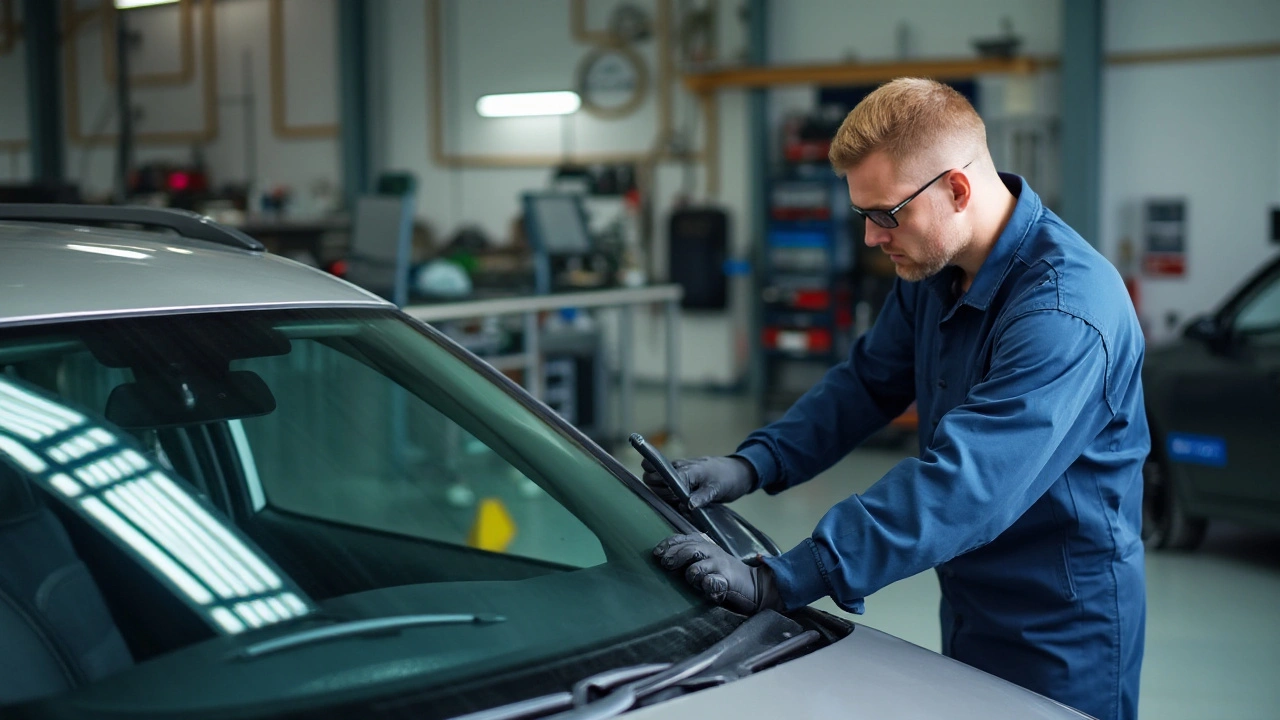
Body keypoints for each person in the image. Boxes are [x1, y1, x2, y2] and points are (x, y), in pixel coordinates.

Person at [648, 78, 1147, 720]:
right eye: (863, 215)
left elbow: (967, 486)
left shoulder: (1065, 312)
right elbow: (867, 382)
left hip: (1062, 627)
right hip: (969, 594)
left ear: (957, 189)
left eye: (887, 214)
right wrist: (753, 464)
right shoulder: (935, 267)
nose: (871, 238)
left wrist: (781, 578)